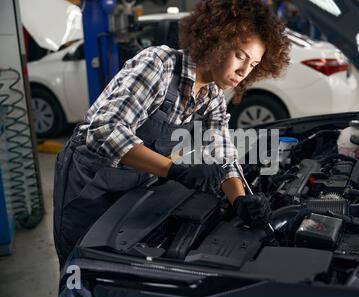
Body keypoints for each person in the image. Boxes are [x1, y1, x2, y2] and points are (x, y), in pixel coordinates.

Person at [53, 0, 291, 268]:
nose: (244, 71)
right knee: (82, 266)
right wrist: (175, 170)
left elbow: (221, 151)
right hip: (89, 182)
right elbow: (105, 130)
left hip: (135, 186)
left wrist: (240, 200)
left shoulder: (211, 95)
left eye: (254, 64)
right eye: (240, 56)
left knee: (118, 267)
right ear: (216, 40)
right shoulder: (159, 65)